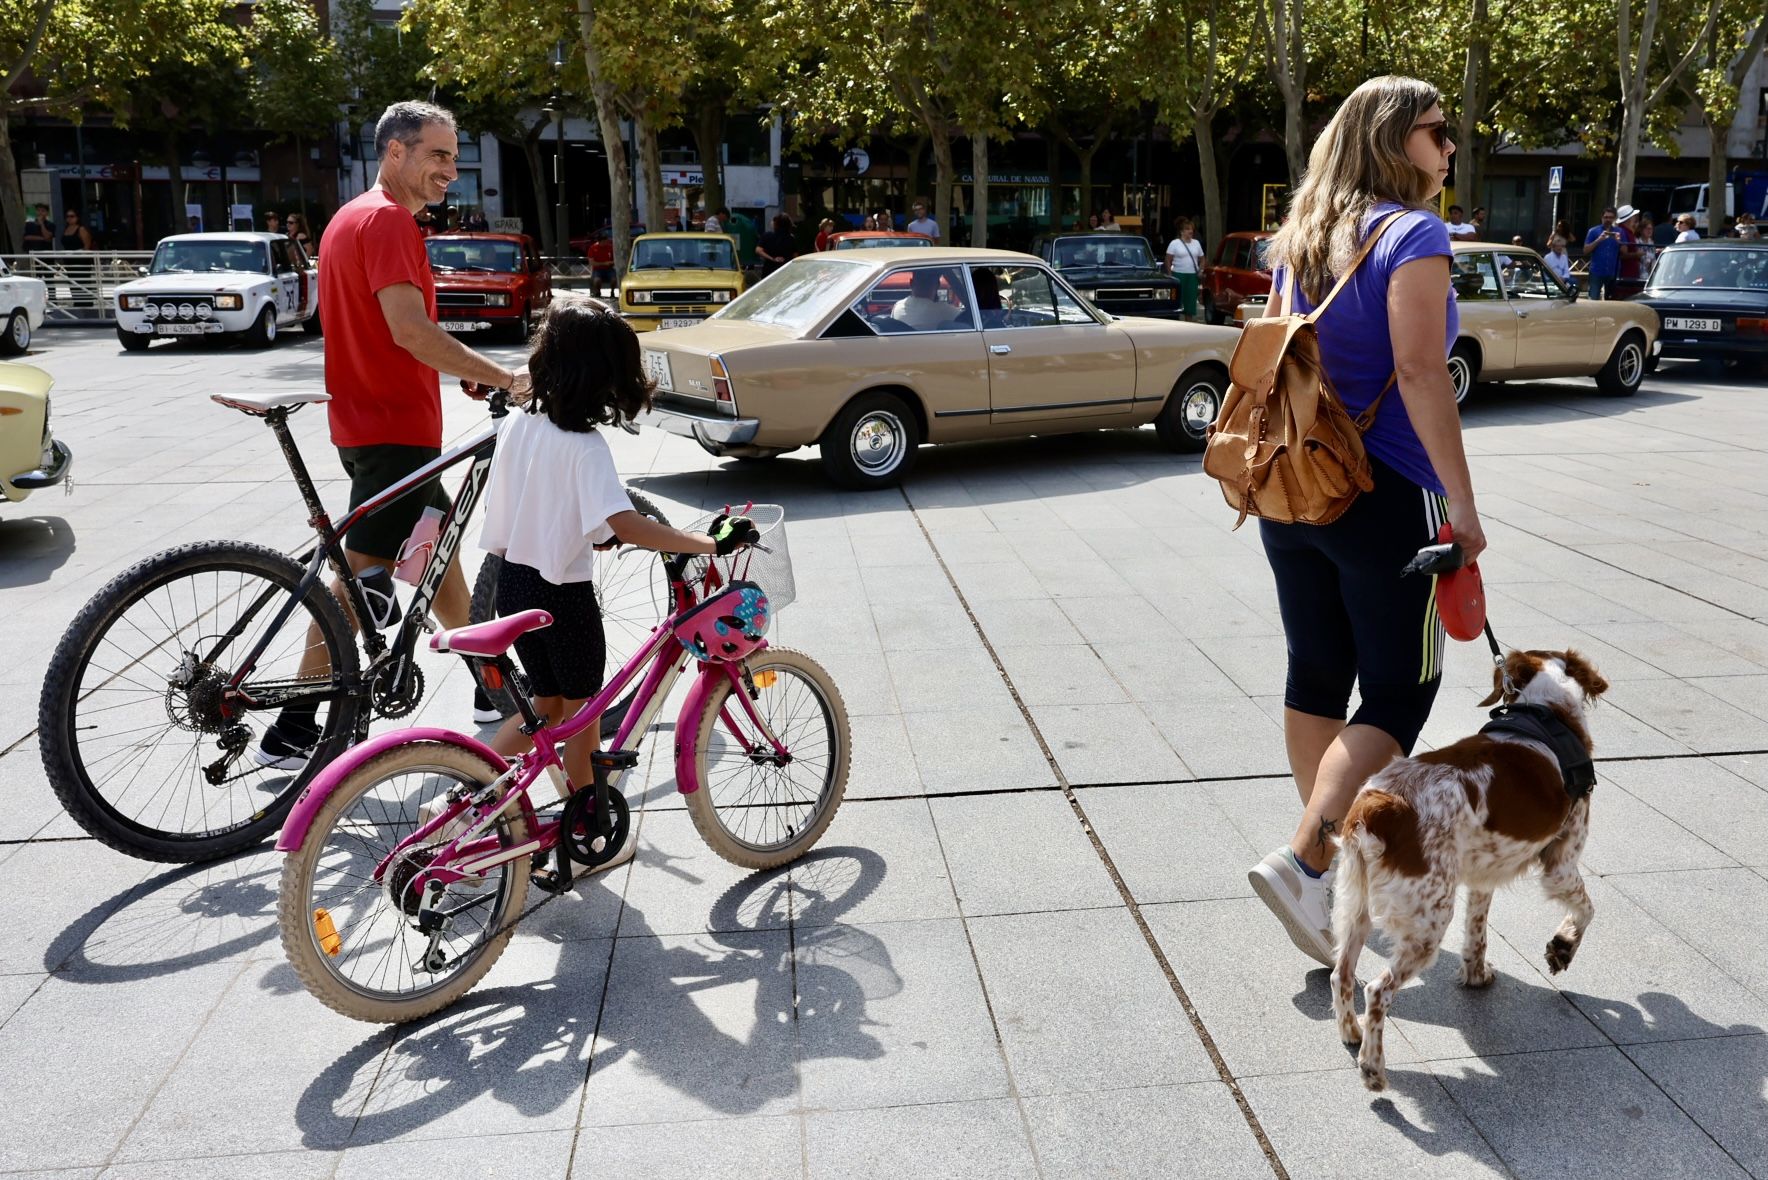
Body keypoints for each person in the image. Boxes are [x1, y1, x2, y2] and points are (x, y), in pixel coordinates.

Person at [1245, 74, 1486, 967]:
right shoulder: (1414, 233)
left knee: (1316, 669)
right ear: (1394, 141)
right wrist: (1461, 507)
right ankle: (1310, 860)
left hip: (1292, 488)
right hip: (1386, 497)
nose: (1449, 147)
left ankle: (1331, 871)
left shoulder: (1303, 235)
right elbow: (1422, 374)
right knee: (1397, 691)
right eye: (1436, 131)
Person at [255, 100, 522, 769]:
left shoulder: (349, 217)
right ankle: (291, 725)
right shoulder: (388, 221)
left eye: (454, 158)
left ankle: (492, 689)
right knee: (363, 580)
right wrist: (502, 375)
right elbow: (410, 329)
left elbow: (396, 335)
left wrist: (457, 369)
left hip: (372, 424)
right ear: (394, 152)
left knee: (438, 565)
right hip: (392, 431)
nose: (449, 171)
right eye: (436, 155)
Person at [478, 300, 757, 802]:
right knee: (583, 715)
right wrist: (706, 542)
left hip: (513, 582)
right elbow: (625, 524)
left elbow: (543, 500)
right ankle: (588, 819)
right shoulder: (585, 447)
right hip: (562, 598)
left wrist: (589, 529)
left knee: (545, 708)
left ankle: (474, 789)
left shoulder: (521, 423)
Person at [1582, 206, 1634, 300]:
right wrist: (1598, 240)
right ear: (1602, 218)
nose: (1608, 220)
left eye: (1610, 217)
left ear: (1614, 219)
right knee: (1593, 299)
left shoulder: (1619, 232)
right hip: (1596, 271)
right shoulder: (1593, 231)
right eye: (1606, 217)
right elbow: (1585, 250)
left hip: (1612, 271)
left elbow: (1625, 251)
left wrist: (1619, 241)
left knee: (1610, 300)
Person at [1163, 217, 1207, 320]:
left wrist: (1200, 270)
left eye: (1191, 229)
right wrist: (1170, 275)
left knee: (1190, 303)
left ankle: (1189, 324)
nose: (1190, 231)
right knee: (1177, 301)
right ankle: (1176, 324)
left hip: (1192, 276)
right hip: (1178, 275)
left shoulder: (1196, 243)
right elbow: (1168, 260)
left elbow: (1202, 259)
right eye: (1187, 229)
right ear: (1182, 231)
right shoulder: (1174, 243)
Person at [891, 269, 961, 329]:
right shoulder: (945, 310)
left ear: (911, 283)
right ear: (938, 285)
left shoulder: (898, 307)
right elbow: (966, 320)